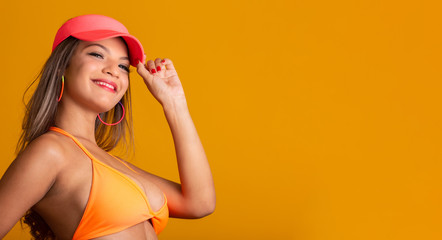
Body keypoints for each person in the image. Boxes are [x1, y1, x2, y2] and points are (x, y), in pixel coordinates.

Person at [0, 14, 215, 240]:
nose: (113, 70)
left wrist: (175, 103)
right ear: (62, 66)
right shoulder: (50, 151)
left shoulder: (114, 165)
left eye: (123, 66)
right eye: (97, 54)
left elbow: (200, 203)